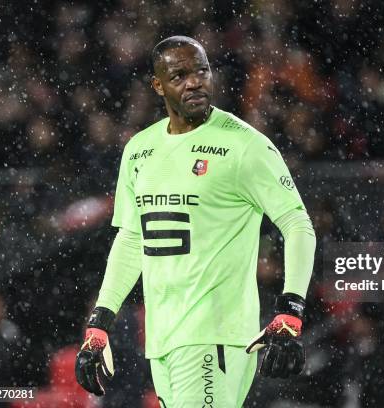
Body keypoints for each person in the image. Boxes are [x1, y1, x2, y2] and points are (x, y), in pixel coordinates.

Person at [74, 35, 316, 407]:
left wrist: (290, 312)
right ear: (158, 85)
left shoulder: (244, 146)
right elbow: (132, 239)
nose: (194, 82)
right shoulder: (139, 150)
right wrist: (99, 323)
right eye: (179, 75)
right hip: (161, 339)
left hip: (215, 334)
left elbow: (298, 225)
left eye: (202, 71)